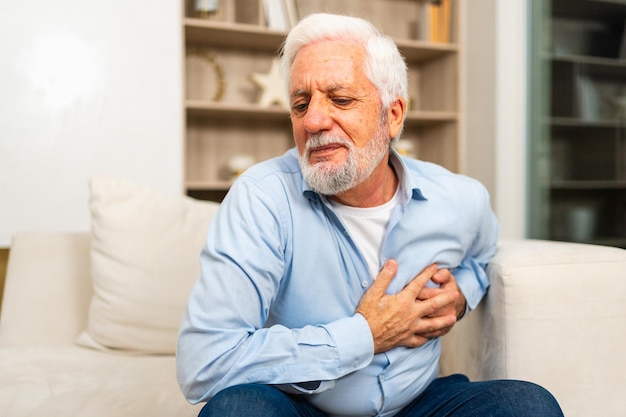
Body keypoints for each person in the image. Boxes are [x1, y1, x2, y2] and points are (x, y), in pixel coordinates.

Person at [176, 12, 563, 417]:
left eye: (340, 100)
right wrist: (364, 335)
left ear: (393, 115)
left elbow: (482, 256)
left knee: (527, 405)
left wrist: (460, 296)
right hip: (304, 408)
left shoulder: (459, 198)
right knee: (238, 410)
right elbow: (204, 362)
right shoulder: (261, 199)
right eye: (300, 104)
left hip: (418, 405)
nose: (313, 121)